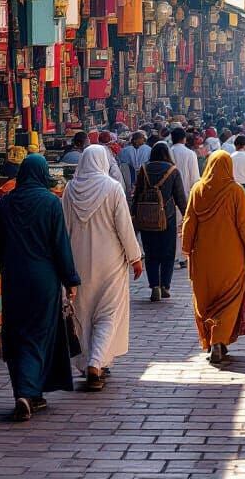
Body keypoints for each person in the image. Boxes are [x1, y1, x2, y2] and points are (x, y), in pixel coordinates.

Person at [0, 154, 80, 421]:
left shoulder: (6, 202)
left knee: (18, 333)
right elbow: (60, 245)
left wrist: (9, 263)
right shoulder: (51, 203)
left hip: (14, 277)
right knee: (39, 334)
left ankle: (29, 391)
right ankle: (27, 391)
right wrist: (70, 280)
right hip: (44, 279)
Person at [61, 146, 142, 391]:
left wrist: (64, 265)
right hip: (110, 261)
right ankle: (96, 362)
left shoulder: (70, 189)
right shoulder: (112, 188)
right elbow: (124, 227)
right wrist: (135, 257)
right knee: (108, 313)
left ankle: (88, 362)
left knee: (83, 313)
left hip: (78, 259)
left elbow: (63, 229)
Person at [181, 150, 245, 365]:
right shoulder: (235, 191)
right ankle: (218, 341)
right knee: (228, 300)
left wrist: (186, 248)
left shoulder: (198, 189)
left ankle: (213, 341)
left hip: (203, 259)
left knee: (206, 300)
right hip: (231, 258)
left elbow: (189, 223)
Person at [130, 141, 187, 303]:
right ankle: (165, 286)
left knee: (151, 253)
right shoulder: (173, 171)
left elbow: (137, 194)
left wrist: (134, 215)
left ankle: (154, 285)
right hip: (167, 218)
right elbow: (180, 198)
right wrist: (187, 216)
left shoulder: (144, 169)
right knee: (168, 253)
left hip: (146, 217)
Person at [170, 126, 201, 267]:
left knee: (172, 226)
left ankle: (175, 255)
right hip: (186, 194)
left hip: (169, 196)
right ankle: (183, 255)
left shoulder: (168, 153)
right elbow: (195, 178)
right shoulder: (190, 154)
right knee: (185, 225)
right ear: (184, 139)